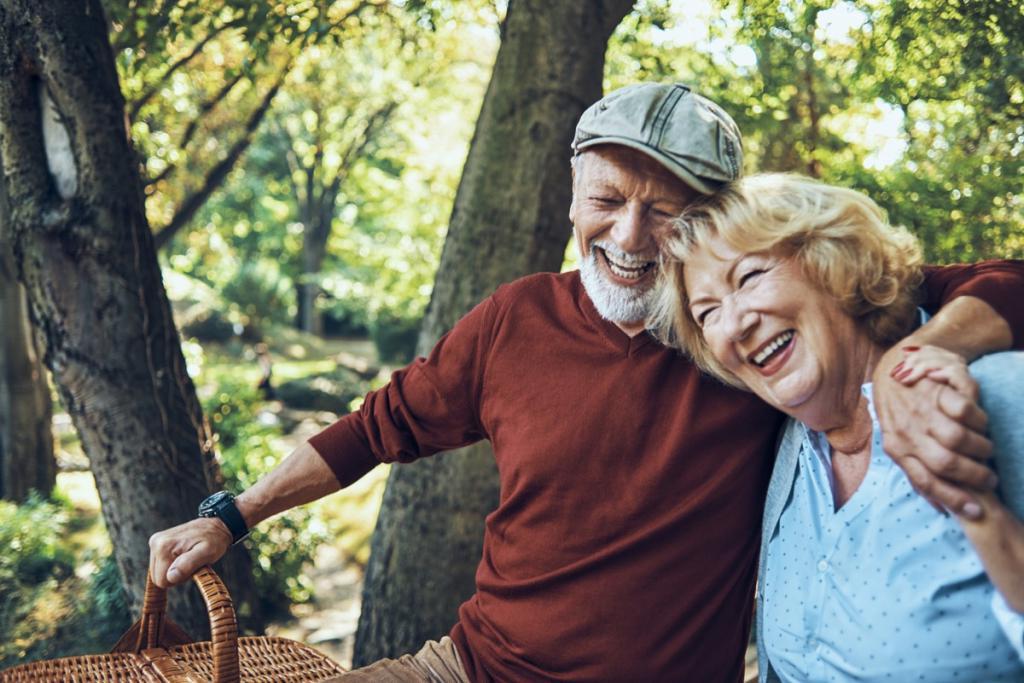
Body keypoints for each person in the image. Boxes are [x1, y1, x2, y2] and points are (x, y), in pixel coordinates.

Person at [149, 83, 1024, 681]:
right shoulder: (515, 319)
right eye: (607, 199)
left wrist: (932, 352)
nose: (631, 235)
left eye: (666, 209)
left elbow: (981, 283)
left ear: (712, 226)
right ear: (574, 195)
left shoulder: (759, 343)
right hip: (467, 667)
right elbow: (374, 427)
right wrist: (231, 515)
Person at [652, 172, 1024, 681]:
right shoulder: (785, 451)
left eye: (750, 276)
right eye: (708, 311)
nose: (734, 324)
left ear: (833, 263)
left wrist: (977, 507)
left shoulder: (1000, 396)